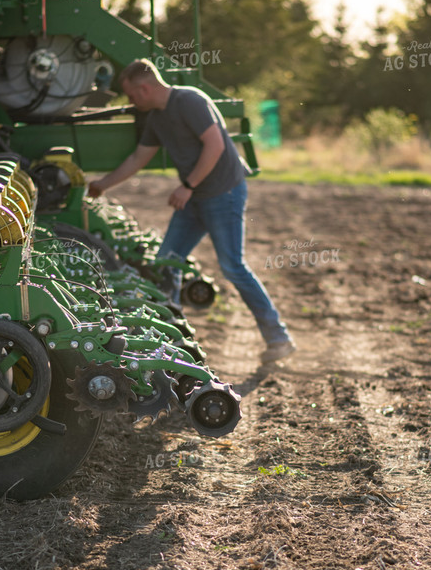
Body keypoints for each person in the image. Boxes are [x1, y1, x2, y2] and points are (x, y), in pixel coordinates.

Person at [88, 58, 295, 363]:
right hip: (194, 198)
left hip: (223, 193)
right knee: (166, 263)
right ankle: (172, 341)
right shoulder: (156, 118)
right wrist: (103, 185)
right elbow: (137, 159)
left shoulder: (190, 101)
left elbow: (216, 146)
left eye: (131, 95)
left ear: (144, 89)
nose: (130, 102)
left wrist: (188, 184)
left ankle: (278, 338)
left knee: (232, 267)